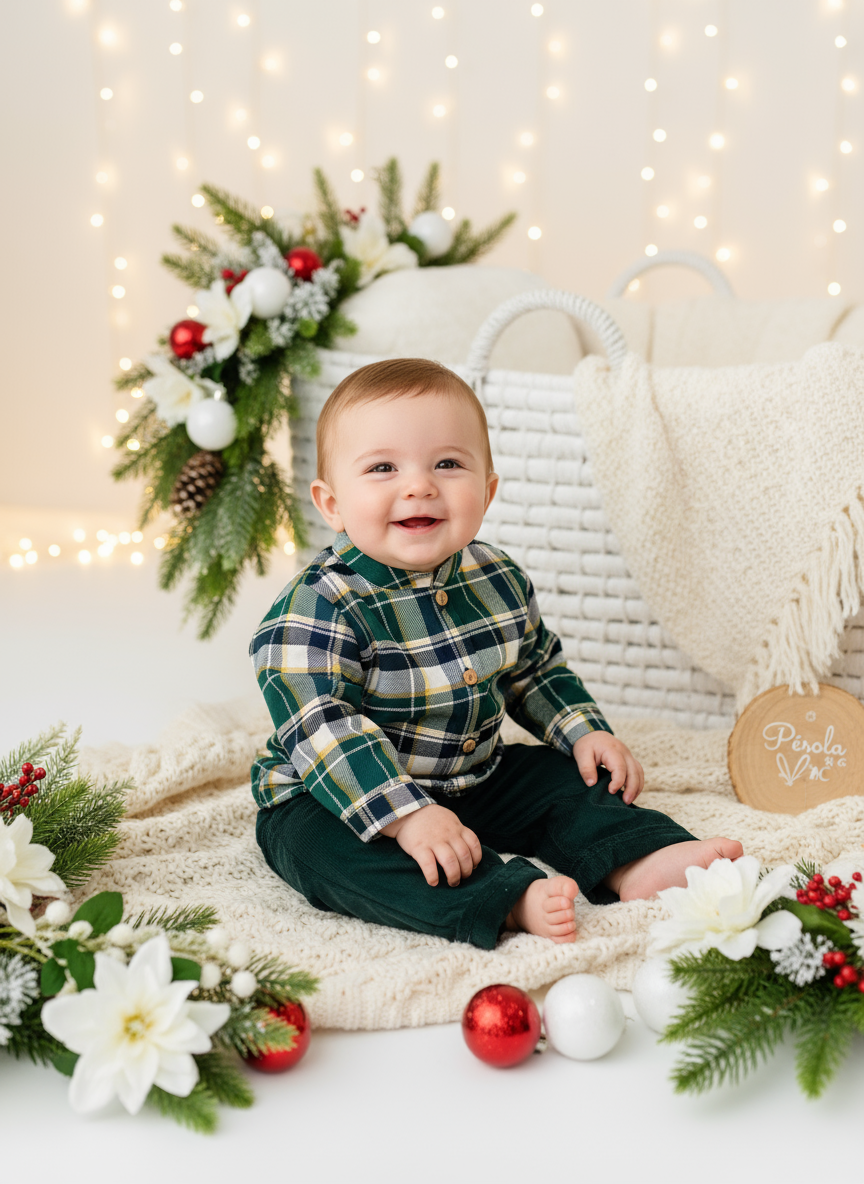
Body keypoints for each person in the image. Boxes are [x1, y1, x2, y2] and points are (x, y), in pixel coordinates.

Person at [250, 358, 742, 949]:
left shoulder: (497, 576)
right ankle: (504, 898)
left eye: (448, 464)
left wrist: (584, 733)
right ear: (331, 504)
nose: (419, 485)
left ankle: (635, 858)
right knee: (319, 853)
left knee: (564, 781)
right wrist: (408, 816)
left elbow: (534, 669)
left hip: (473, 775)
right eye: (383, 467)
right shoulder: (317, 607)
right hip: (336, 792)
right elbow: (325, 728)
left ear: (486, 491)